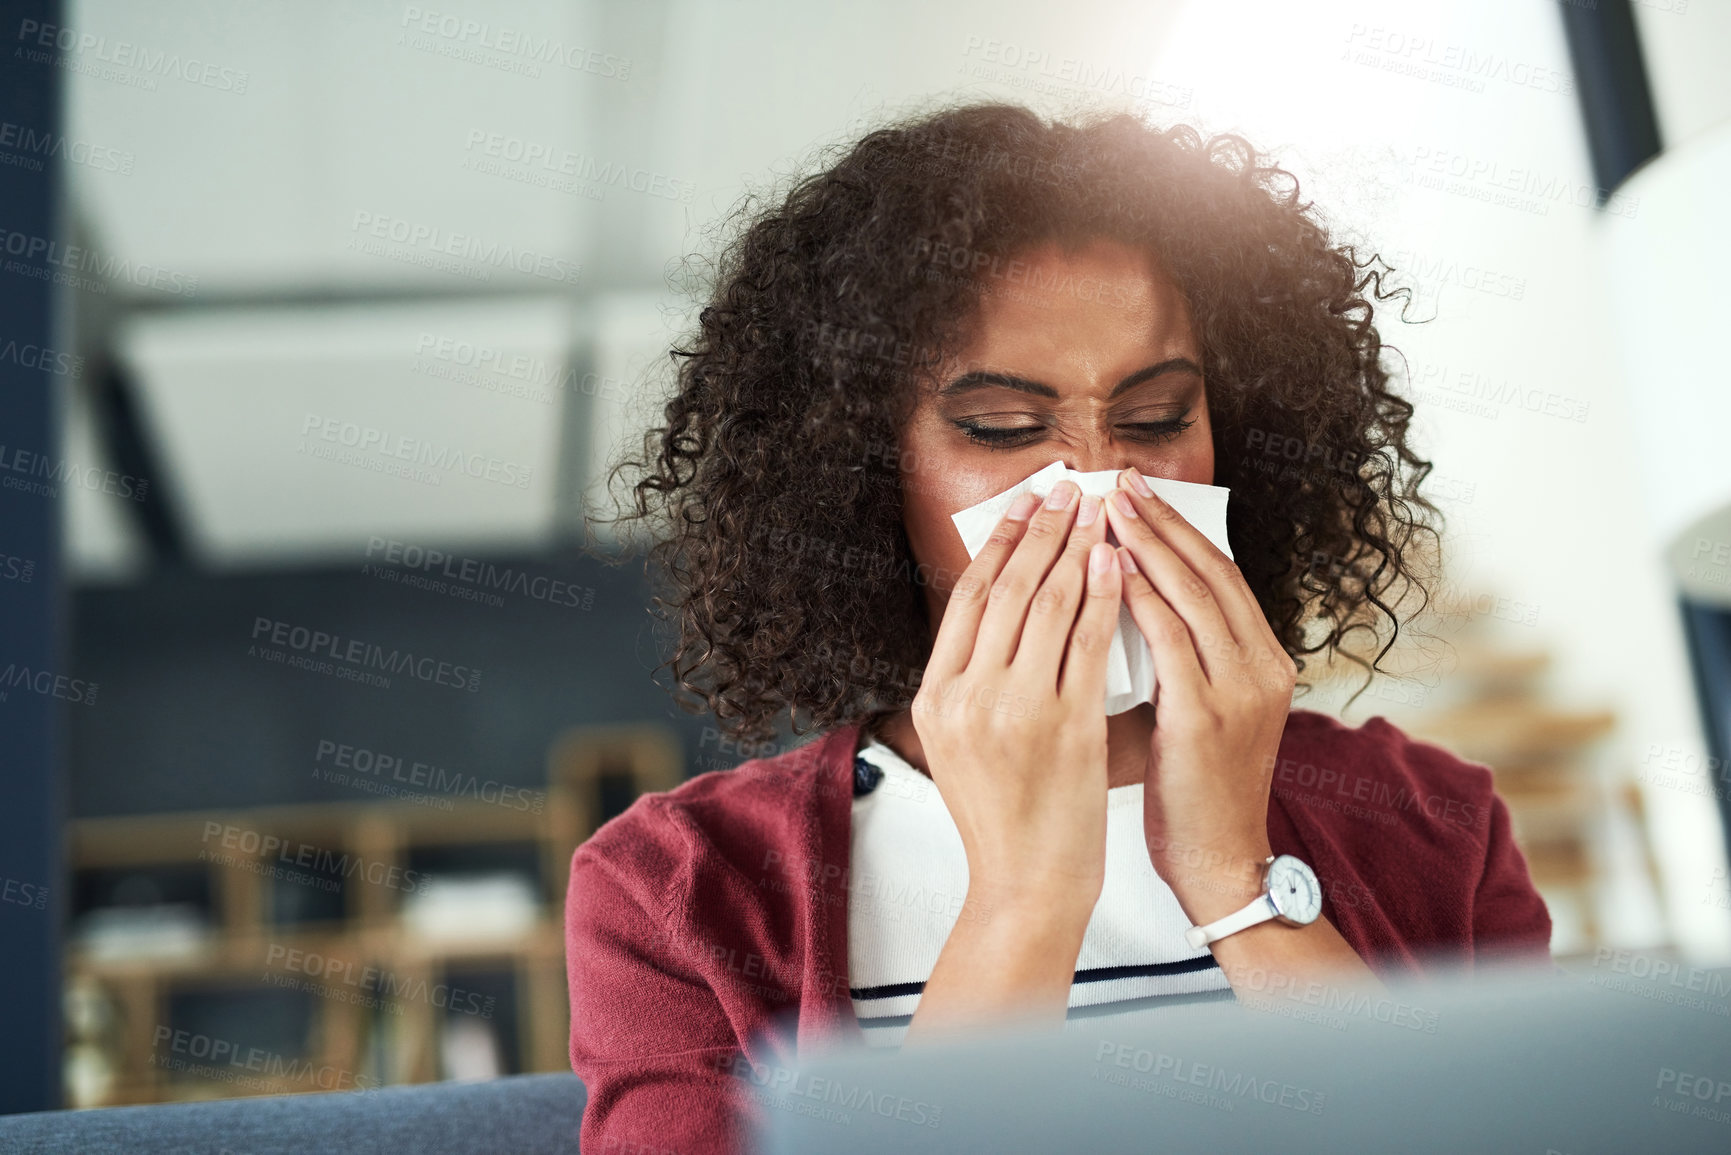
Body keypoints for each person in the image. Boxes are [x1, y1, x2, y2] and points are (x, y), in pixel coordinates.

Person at [565, 100, 1550, 1155]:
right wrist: (1027, 898)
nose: (1099, 480)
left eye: (1158, 416)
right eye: (1003, 429)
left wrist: (1235, 882)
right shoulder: (674, 888)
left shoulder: (1430, 817)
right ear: (861, 474)